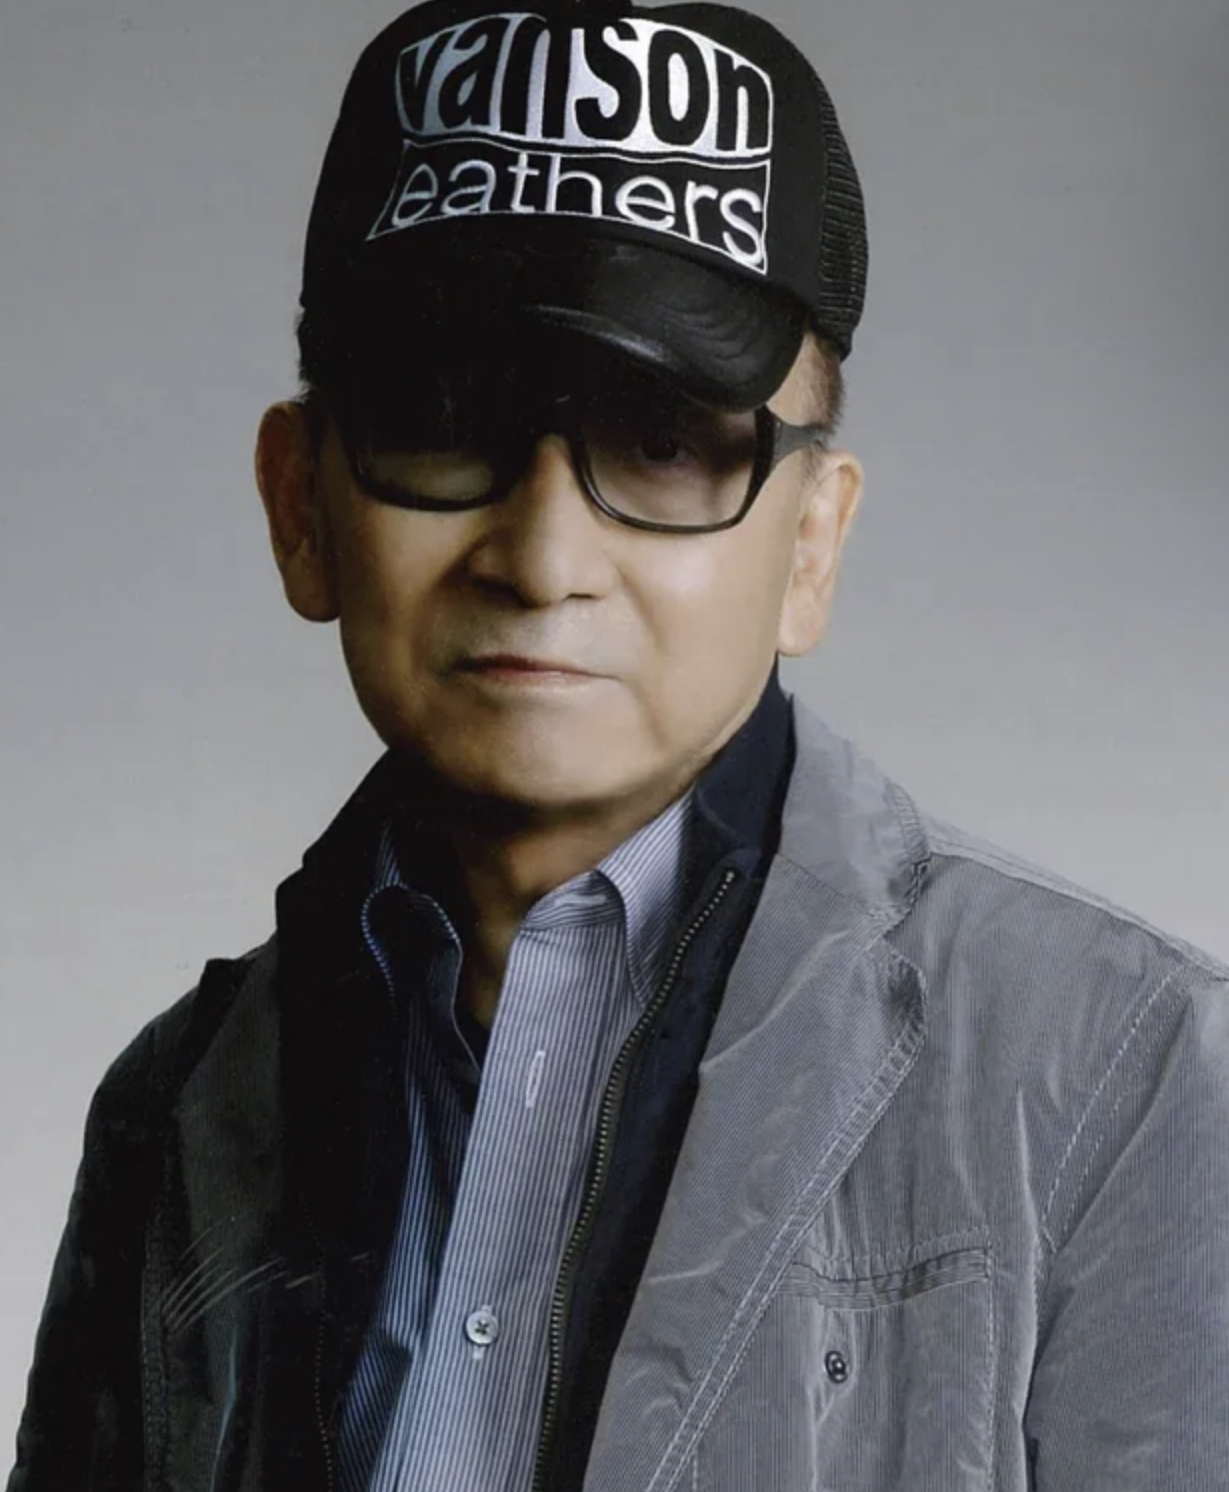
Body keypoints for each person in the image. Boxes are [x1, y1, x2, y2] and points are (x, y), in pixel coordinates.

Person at [8, 0, 1229, 1488]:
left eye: (659, 439)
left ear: (812, 544)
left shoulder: (1129, 1075)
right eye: (443, 414)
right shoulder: (178, 1105)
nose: (541, 557)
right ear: (297, 504)